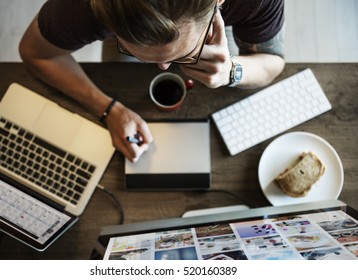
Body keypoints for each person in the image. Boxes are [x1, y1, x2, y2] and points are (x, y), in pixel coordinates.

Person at [19, 0, 285, 162]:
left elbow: (272, 62)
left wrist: (232, 71)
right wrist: (108, 108)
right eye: (134, 50)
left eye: (183, 55)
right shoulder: (82, 9)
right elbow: (35, 52)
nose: (165, 68)